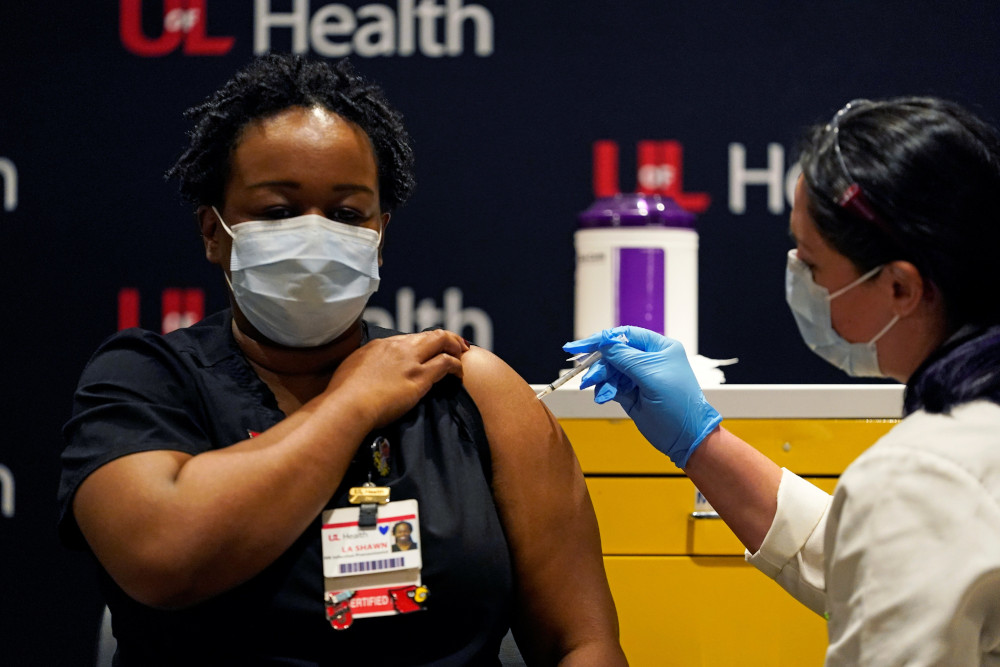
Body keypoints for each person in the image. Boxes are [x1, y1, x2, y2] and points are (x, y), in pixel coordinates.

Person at [58, 53, 626, 666]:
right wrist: (353, 402)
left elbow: (582, 642)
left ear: (379, 237)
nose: (313, 233)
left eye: (347, 213)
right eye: (277, 210)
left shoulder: (468, 388)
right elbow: (164, 557)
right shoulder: (147, 379)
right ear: (213, 232)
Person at [567, 97, 1000, 665]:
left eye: (815, 268)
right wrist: (699, 440)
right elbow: (885, 570)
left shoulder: (921, 473)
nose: (803, 283)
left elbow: (898, 549)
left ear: (900, 287)